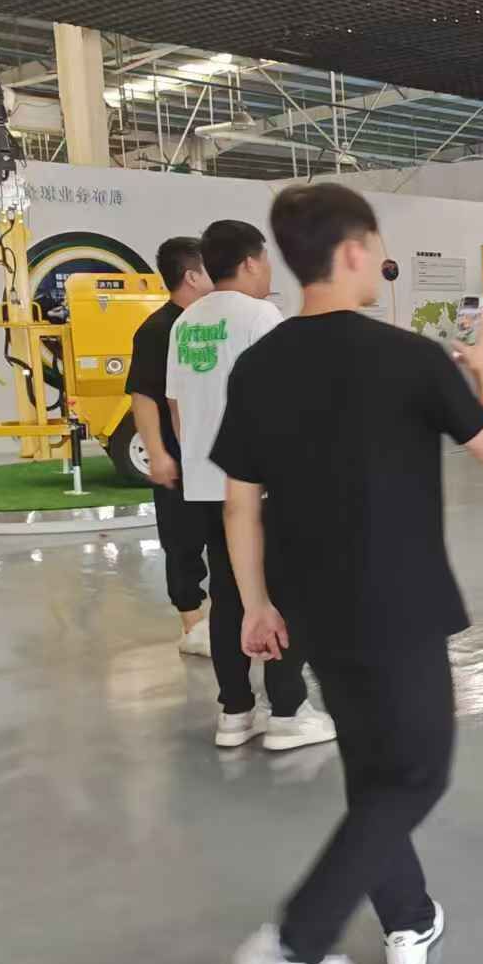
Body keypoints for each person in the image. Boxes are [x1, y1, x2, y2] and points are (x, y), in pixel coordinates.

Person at [214, 183, 483, 964]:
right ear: (353, 251)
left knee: (371, 768)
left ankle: (407, 916)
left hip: (311, 604)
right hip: (399, 602)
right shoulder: (410, 356)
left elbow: (240, 504)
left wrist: (255, 604)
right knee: (416, 773)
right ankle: (296, 941)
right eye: (378, 249)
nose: (380, 262)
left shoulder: (259, 364)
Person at [167, 219, 332, 752]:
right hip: (261, 484)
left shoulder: (185, 321)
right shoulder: (261, 316)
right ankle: (287, 710)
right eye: (264, 261)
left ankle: (235, 710)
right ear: (250, 262)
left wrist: (200, 458)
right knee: (283, 593)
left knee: (229, 597)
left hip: (205, 480)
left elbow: (176, 406)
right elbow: (289, 401)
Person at [126, 236, 214, 656]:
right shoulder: (158, 329)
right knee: (182, 540)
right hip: (176, 457)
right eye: (210, 268)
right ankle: (192, 626)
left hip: (212, 454)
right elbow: (143, 397)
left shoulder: (210, 324)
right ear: (192, 277)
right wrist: (158, 454)